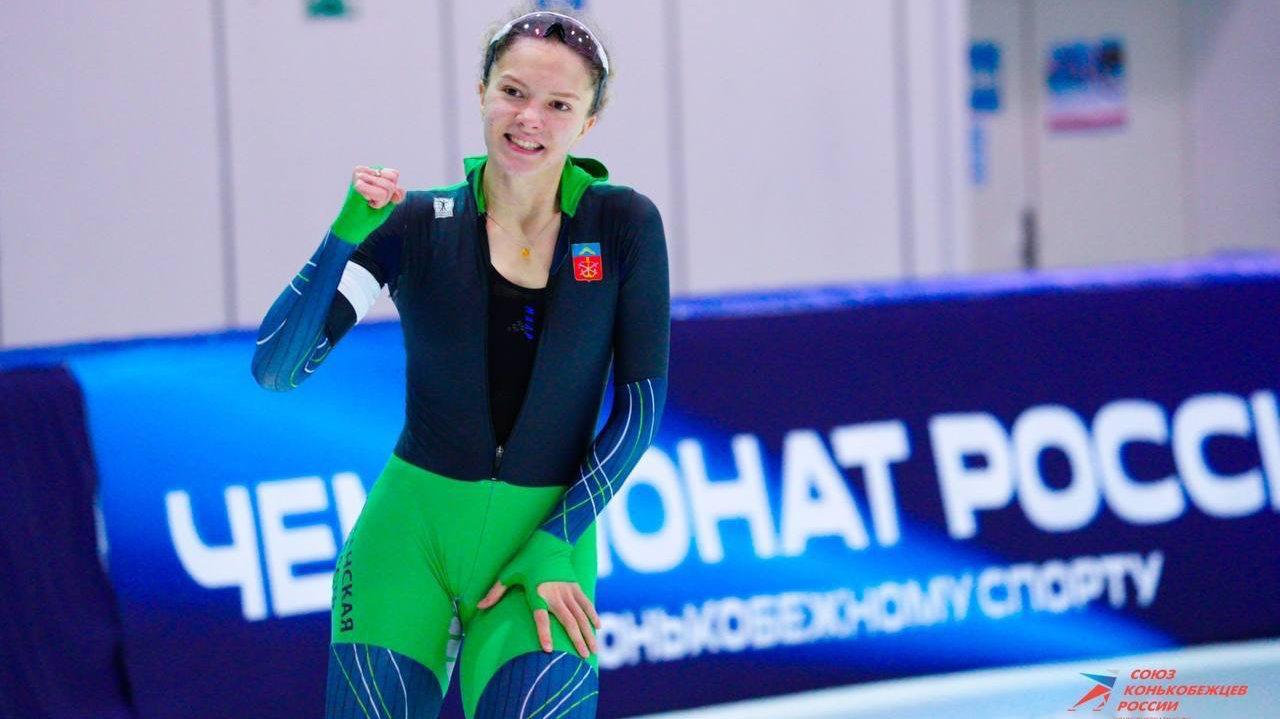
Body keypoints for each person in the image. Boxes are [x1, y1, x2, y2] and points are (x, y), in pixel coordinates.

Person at [251, 7, 669, 719]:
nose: (529, 118)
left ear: (588, 122)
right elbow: (278, 368)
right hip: (405, 545)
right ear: (481, 92)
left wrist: (557, 538)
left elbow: (640, 411)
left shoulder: (623, 224)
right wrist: (346, 233)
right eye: (513, 92)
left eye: (558, 104)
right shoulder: (413, 225)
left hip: (543, 548)